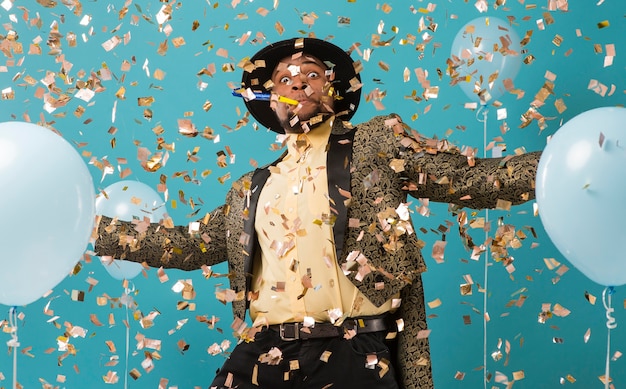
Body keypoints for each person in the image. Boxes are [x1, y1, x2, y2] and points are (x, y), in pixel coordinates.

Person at [94, 37, 540, 389]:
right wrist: (90, 228)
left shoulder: (375, 144)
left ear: (332, 91)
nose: (298, 82)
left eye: (312, 74)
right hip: (266, 351)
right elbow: (189, 245)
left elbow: (472, 180)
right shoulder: (250, 189)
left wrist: (555, 169)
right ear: (268, 99)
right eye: (285, 78)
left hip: (355, 349)